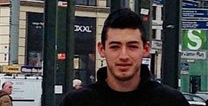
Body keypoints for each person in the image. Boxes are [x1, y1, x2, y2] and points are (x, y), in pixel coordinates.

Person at [59, 7, 190, 106]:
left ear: (145, 49)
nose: (123, 56)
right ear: (101, 49)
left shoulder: (171, 102)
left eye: (132, 46)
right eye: (115, 47)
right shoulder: (76, 102)